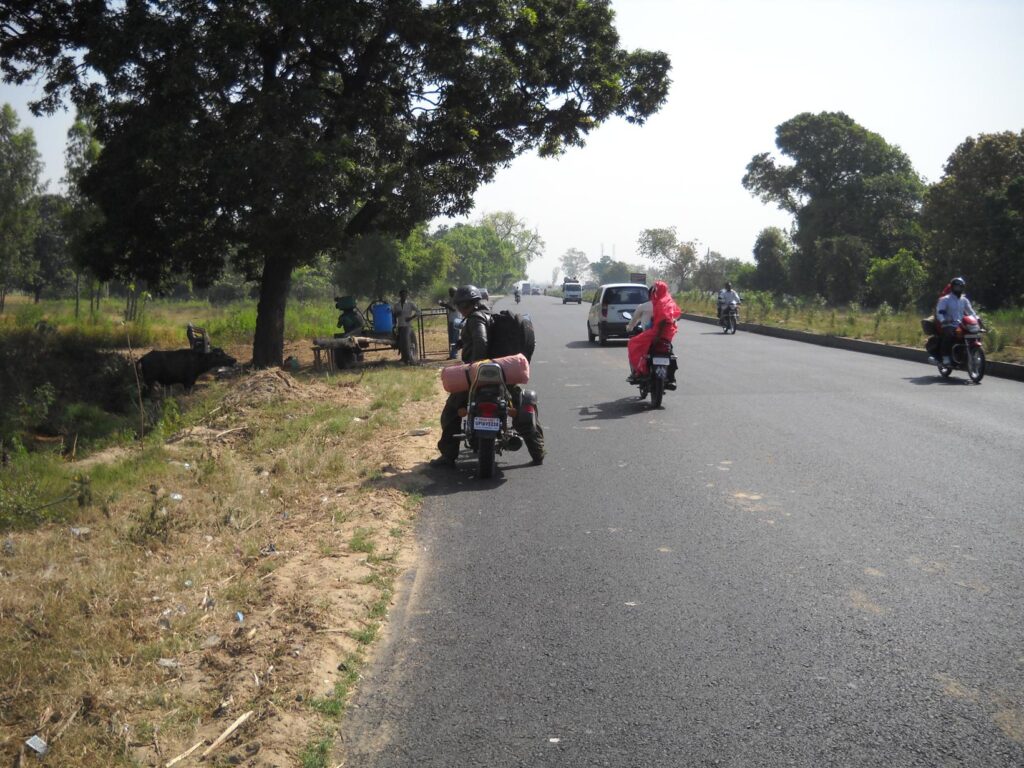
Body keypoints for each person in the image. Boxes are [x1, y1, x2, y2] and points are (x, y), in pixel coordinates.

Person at [432, 285, 492, 466]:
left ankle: (448, 456)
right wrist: (461, 342)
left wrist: (475, 368)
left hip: (478, 373)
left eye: (460, 305)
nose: (459, 308)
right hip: (496, 372)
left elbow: (481, 340)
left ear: (469, 304)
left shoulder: (475, 319)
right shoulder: (488, 315)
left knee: (450, 412)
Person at [627, 281, 681, 382]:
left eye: (655, 291)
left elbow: (663, 320)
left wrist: (657, 334)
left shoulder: (660, 302)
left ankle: (637, 371)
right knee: (670, 352)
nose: (654, 294)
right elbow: (675, 315)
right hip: (668, 334)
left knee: (632, 343)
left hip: (657, 333)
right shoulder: (669, 301)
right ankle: (671, 377)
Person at [934, 276, 976, 366]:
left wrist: (977, 320)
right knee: (949, 334)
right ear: (952, 287)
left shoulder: (964, 300)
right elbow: (939, 312)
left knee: (975, 333)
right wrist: (943, 320)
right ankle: (945, 357)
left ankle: (970, 353)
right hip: (949, 324)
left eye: (960, 287)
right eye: (957, 286)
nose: (958, 289)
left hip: (962, 324)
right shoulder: (945, 299)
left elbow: (971, 312)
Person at [392, 288, 419, 364]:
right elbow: (393, 315)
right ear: (400, 295)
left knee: (406, 341)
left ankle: (409, 358)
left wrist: (411, 317)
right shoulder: (396, 305)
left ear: (407, 295)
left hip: (407, 325)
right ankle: (403, 357)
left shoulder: (410, 304)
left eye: (405, 294)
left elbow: (418, 312)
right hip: (400, 325)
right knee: (401, 342)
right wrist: (397, 314)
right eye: (402, 294)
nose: (403, 296)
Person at [439, 286, 461, 359]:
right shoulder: (451, 299)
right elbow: (447, 305)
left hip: (456, 320)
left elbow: (453, 309)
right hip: (451, 320)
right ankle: (454, 352)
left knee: (455, 338)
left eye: (452, 292)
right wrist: (443, 304)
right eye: (450, 292)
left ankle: (453, 354)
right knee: (451, 338)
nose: (450, 293)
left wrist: (445, 305)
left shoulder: (457, 300)